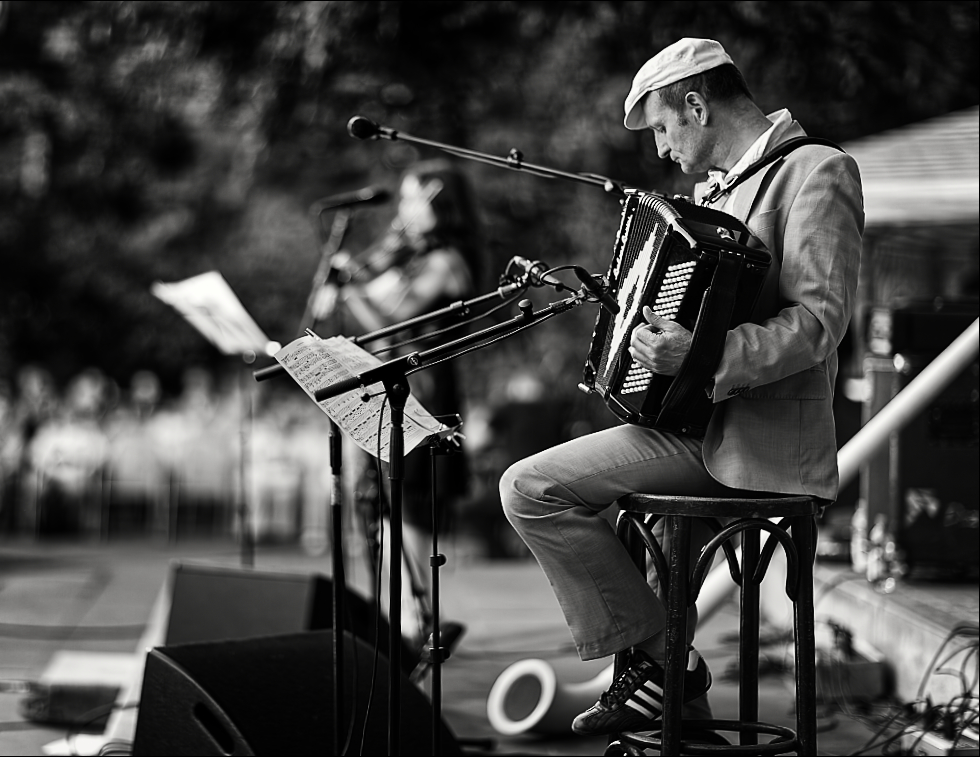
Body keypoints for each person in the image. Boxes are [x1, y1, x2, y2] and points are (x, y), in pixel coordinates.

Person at [500, 38, 864, 736]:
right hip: (692, 427)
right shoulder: (711, 194)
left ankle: (668, 674)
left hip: (761, 441)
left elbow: (819, 324)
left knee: (532, 489)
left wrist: (698, 356)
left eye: (664, 128)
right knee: (534, 488)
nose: (661, 148)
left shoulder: (818, 171)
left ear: (696, 104)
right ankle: (672, 688)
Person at [313, 159, 480, 651]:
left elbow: (394, 320)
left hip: (422, 396)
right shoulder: (409, 255)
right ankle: (407, 616)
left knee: (404, 507)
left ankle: (418, 619)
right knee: (379, 507)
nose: (404, 209)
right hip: (388, 393)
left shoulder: (447, 261)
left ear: (439, 203)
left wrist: (349, 288)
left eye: (413, 198)